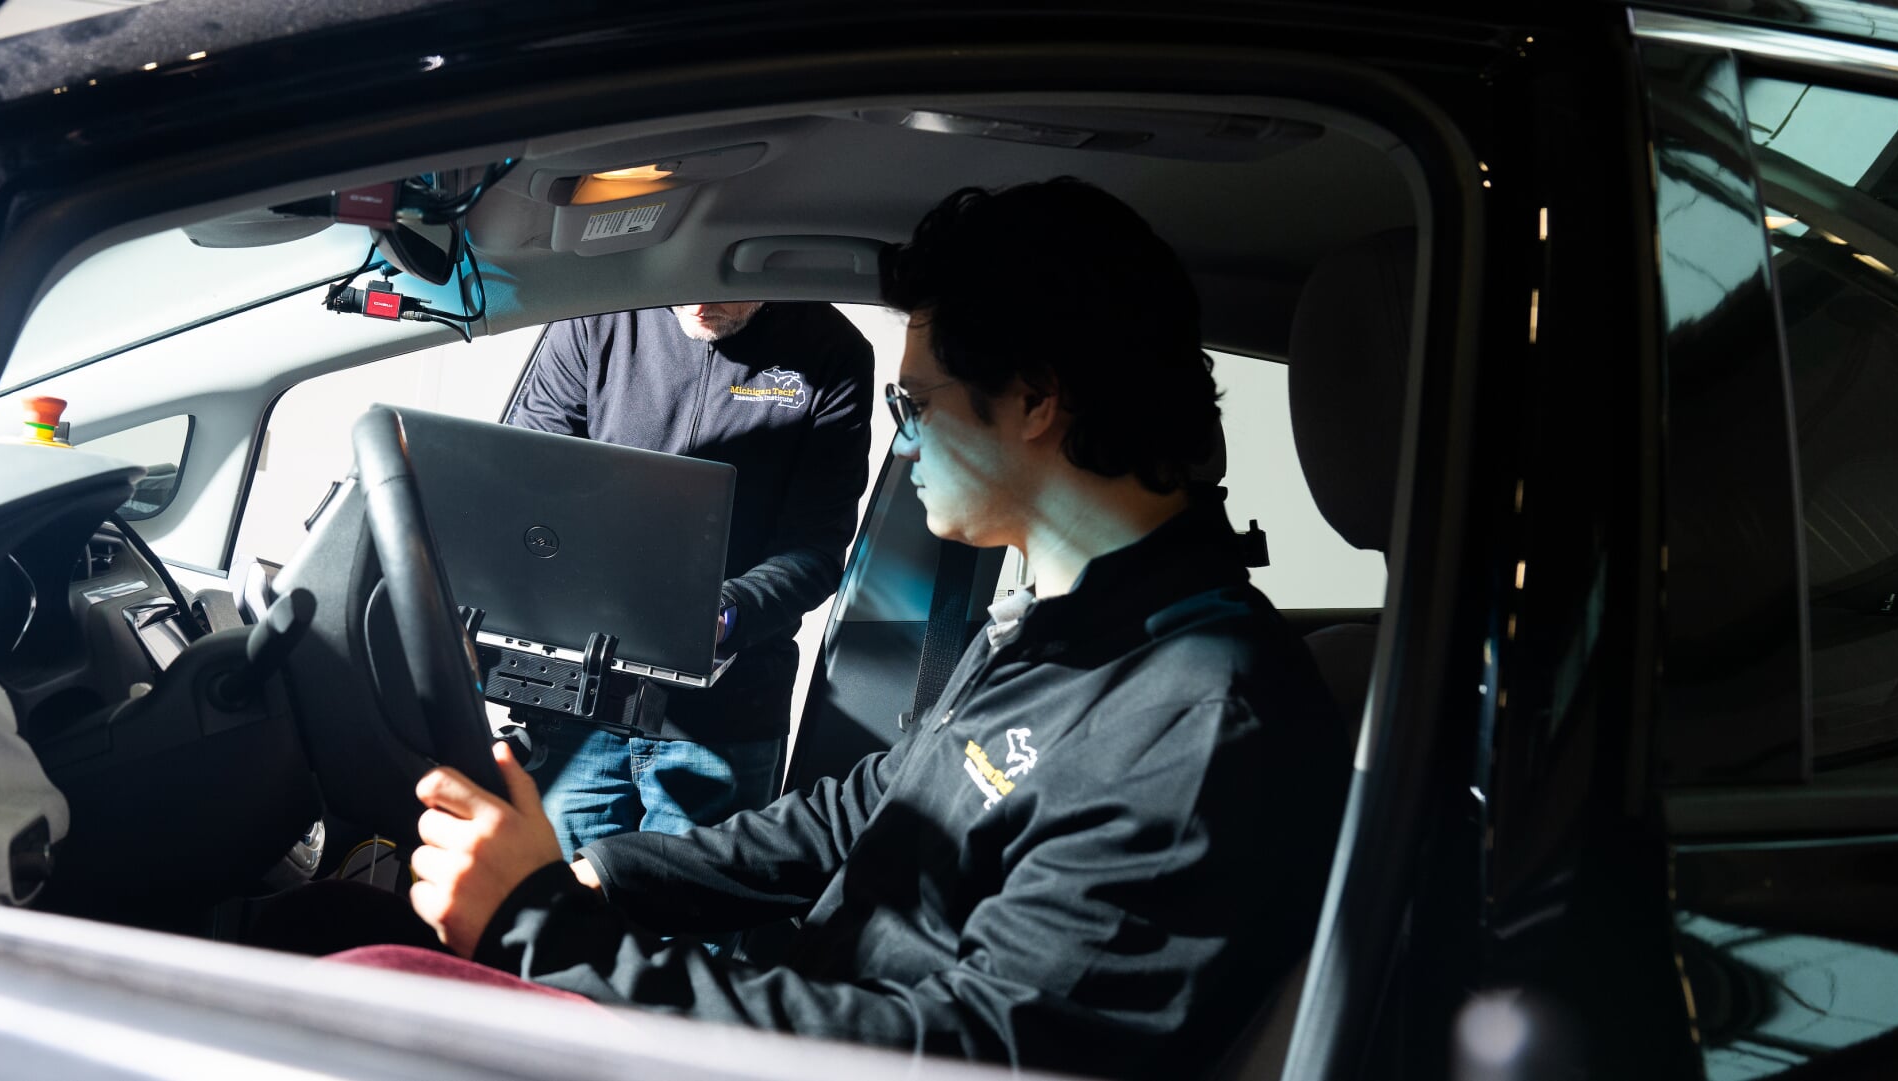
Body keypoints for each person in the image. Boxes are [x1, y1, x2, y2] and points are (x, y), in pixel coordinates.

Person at [381, 178, 1351, 1077]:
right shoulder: (1066, 630)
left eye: (917, 402)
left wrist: (541, 926)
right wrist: (599, 878)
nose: (906, 435)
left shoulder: (1192, 720)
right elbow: (863, 810)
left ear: (1035, 400)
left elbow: (981, 1050)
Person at [501, 300, 873, 860]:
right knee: (553, 921)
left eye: (725, 282)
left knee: (693, 934)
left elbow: (816, 548)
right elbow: (521, 486)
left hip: (724, 722)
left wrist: (724, 610)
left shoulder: (833, 354)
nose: (699, 302)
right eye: (688, 280)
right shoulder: (593, 317)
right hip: (577, 705)